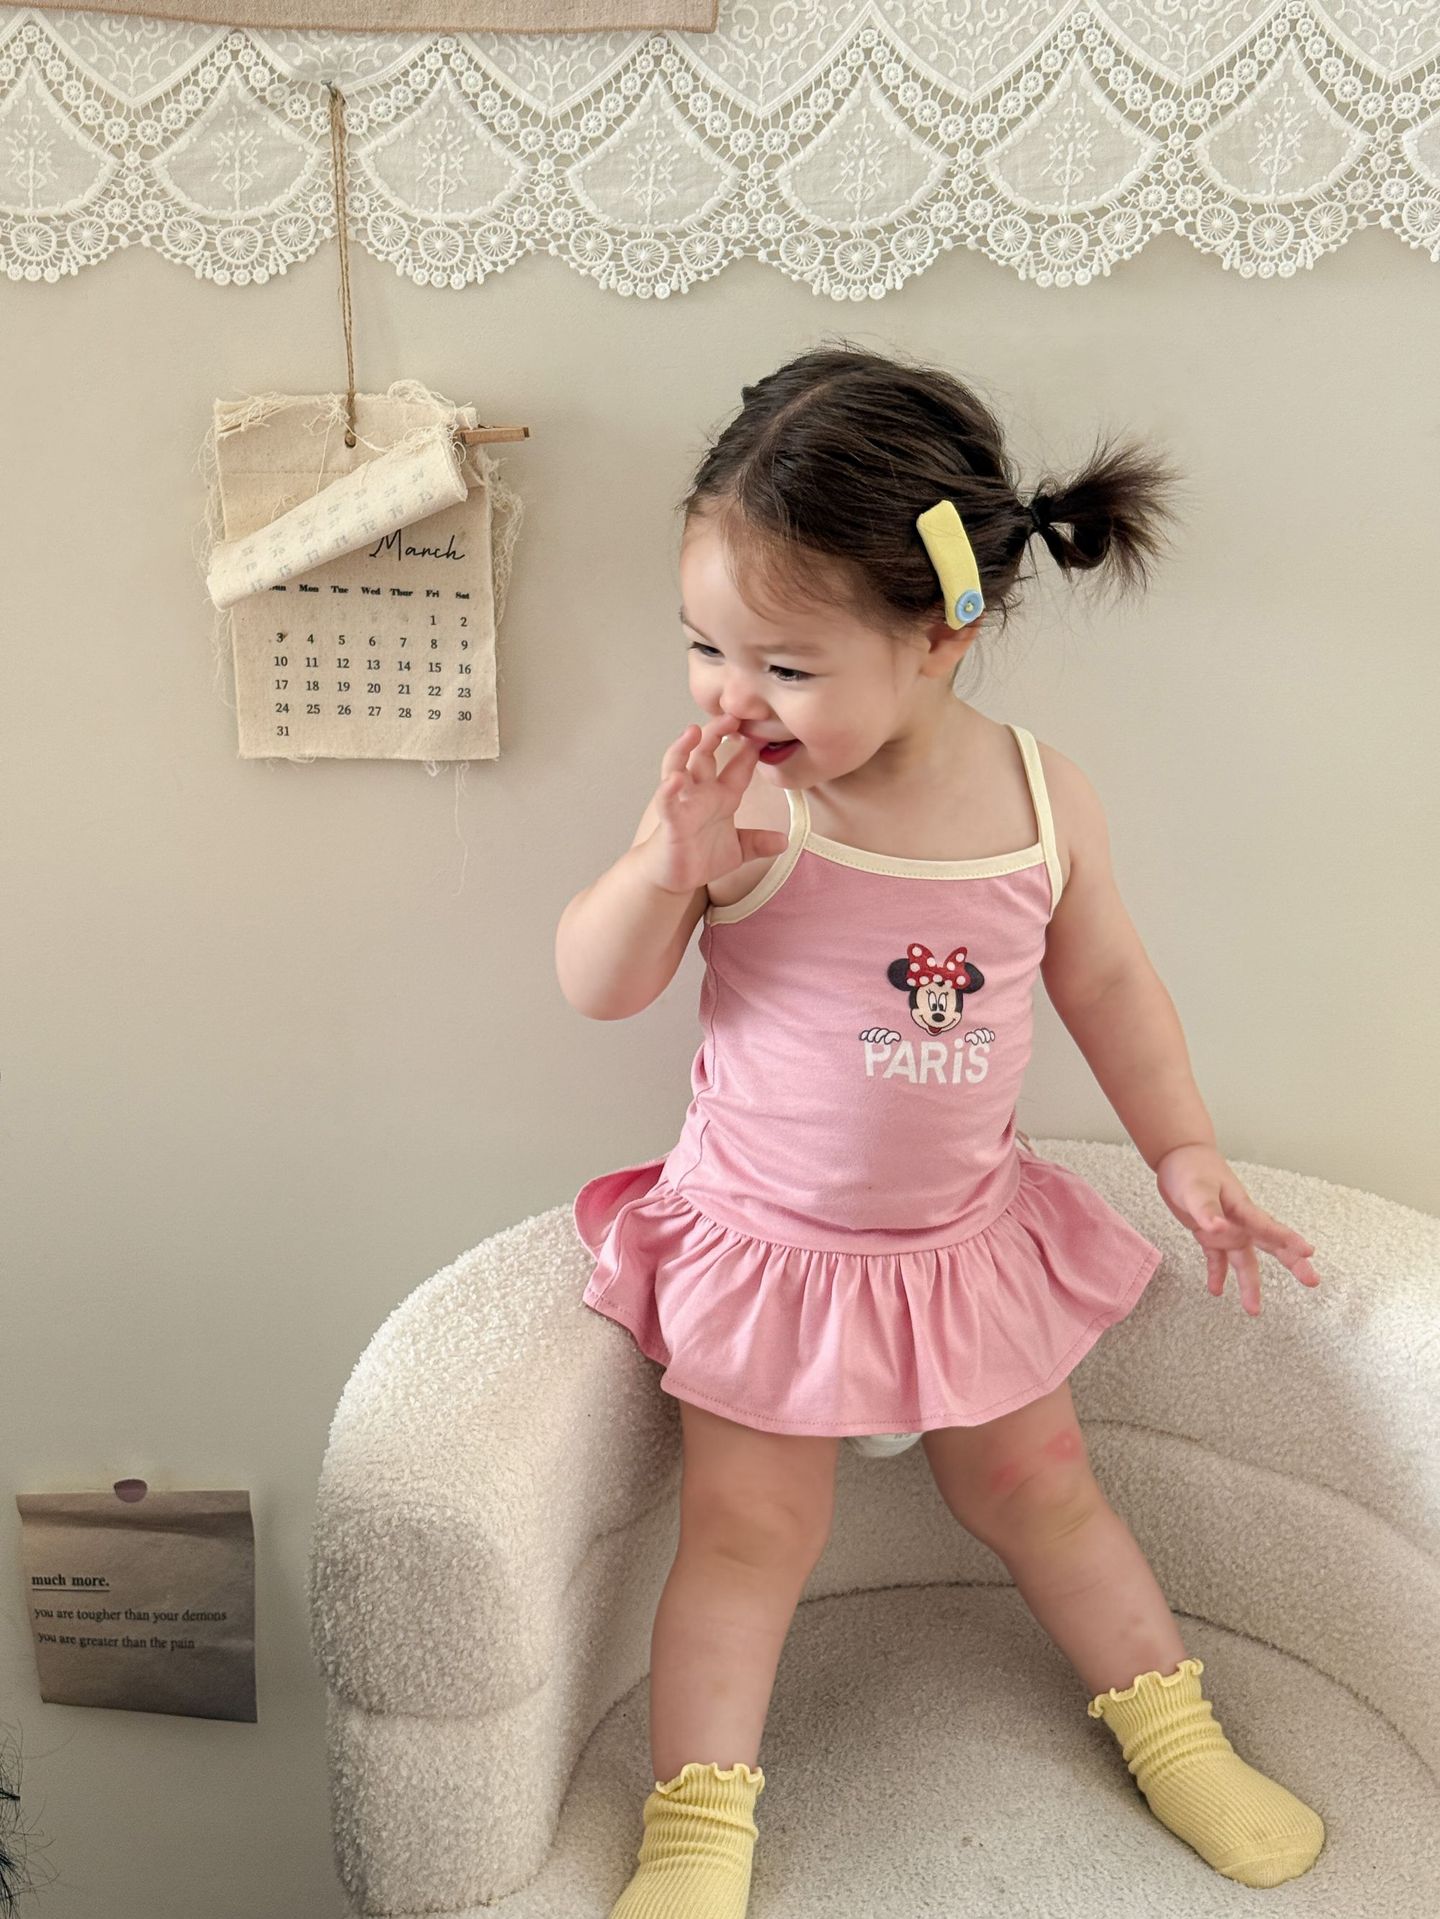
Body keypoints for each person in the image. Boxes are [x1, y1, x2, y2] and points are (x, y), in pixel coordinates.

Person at [554, 343, 1326, 1917]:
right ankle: (696, 1829)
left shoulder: (1042, 796)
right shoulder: (739, 806)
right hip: (768, 1251)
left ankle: (1176, 1735)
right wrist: (661, 868)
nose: (730, 696)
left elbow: (1109, 982)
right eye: (704, 646)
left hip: (963, 1245)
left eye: (786, 665)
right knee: (749, 1537)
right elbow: (598, 985)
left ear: (944, 631)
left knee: (1045, 1486)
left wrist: (1184, 1152)